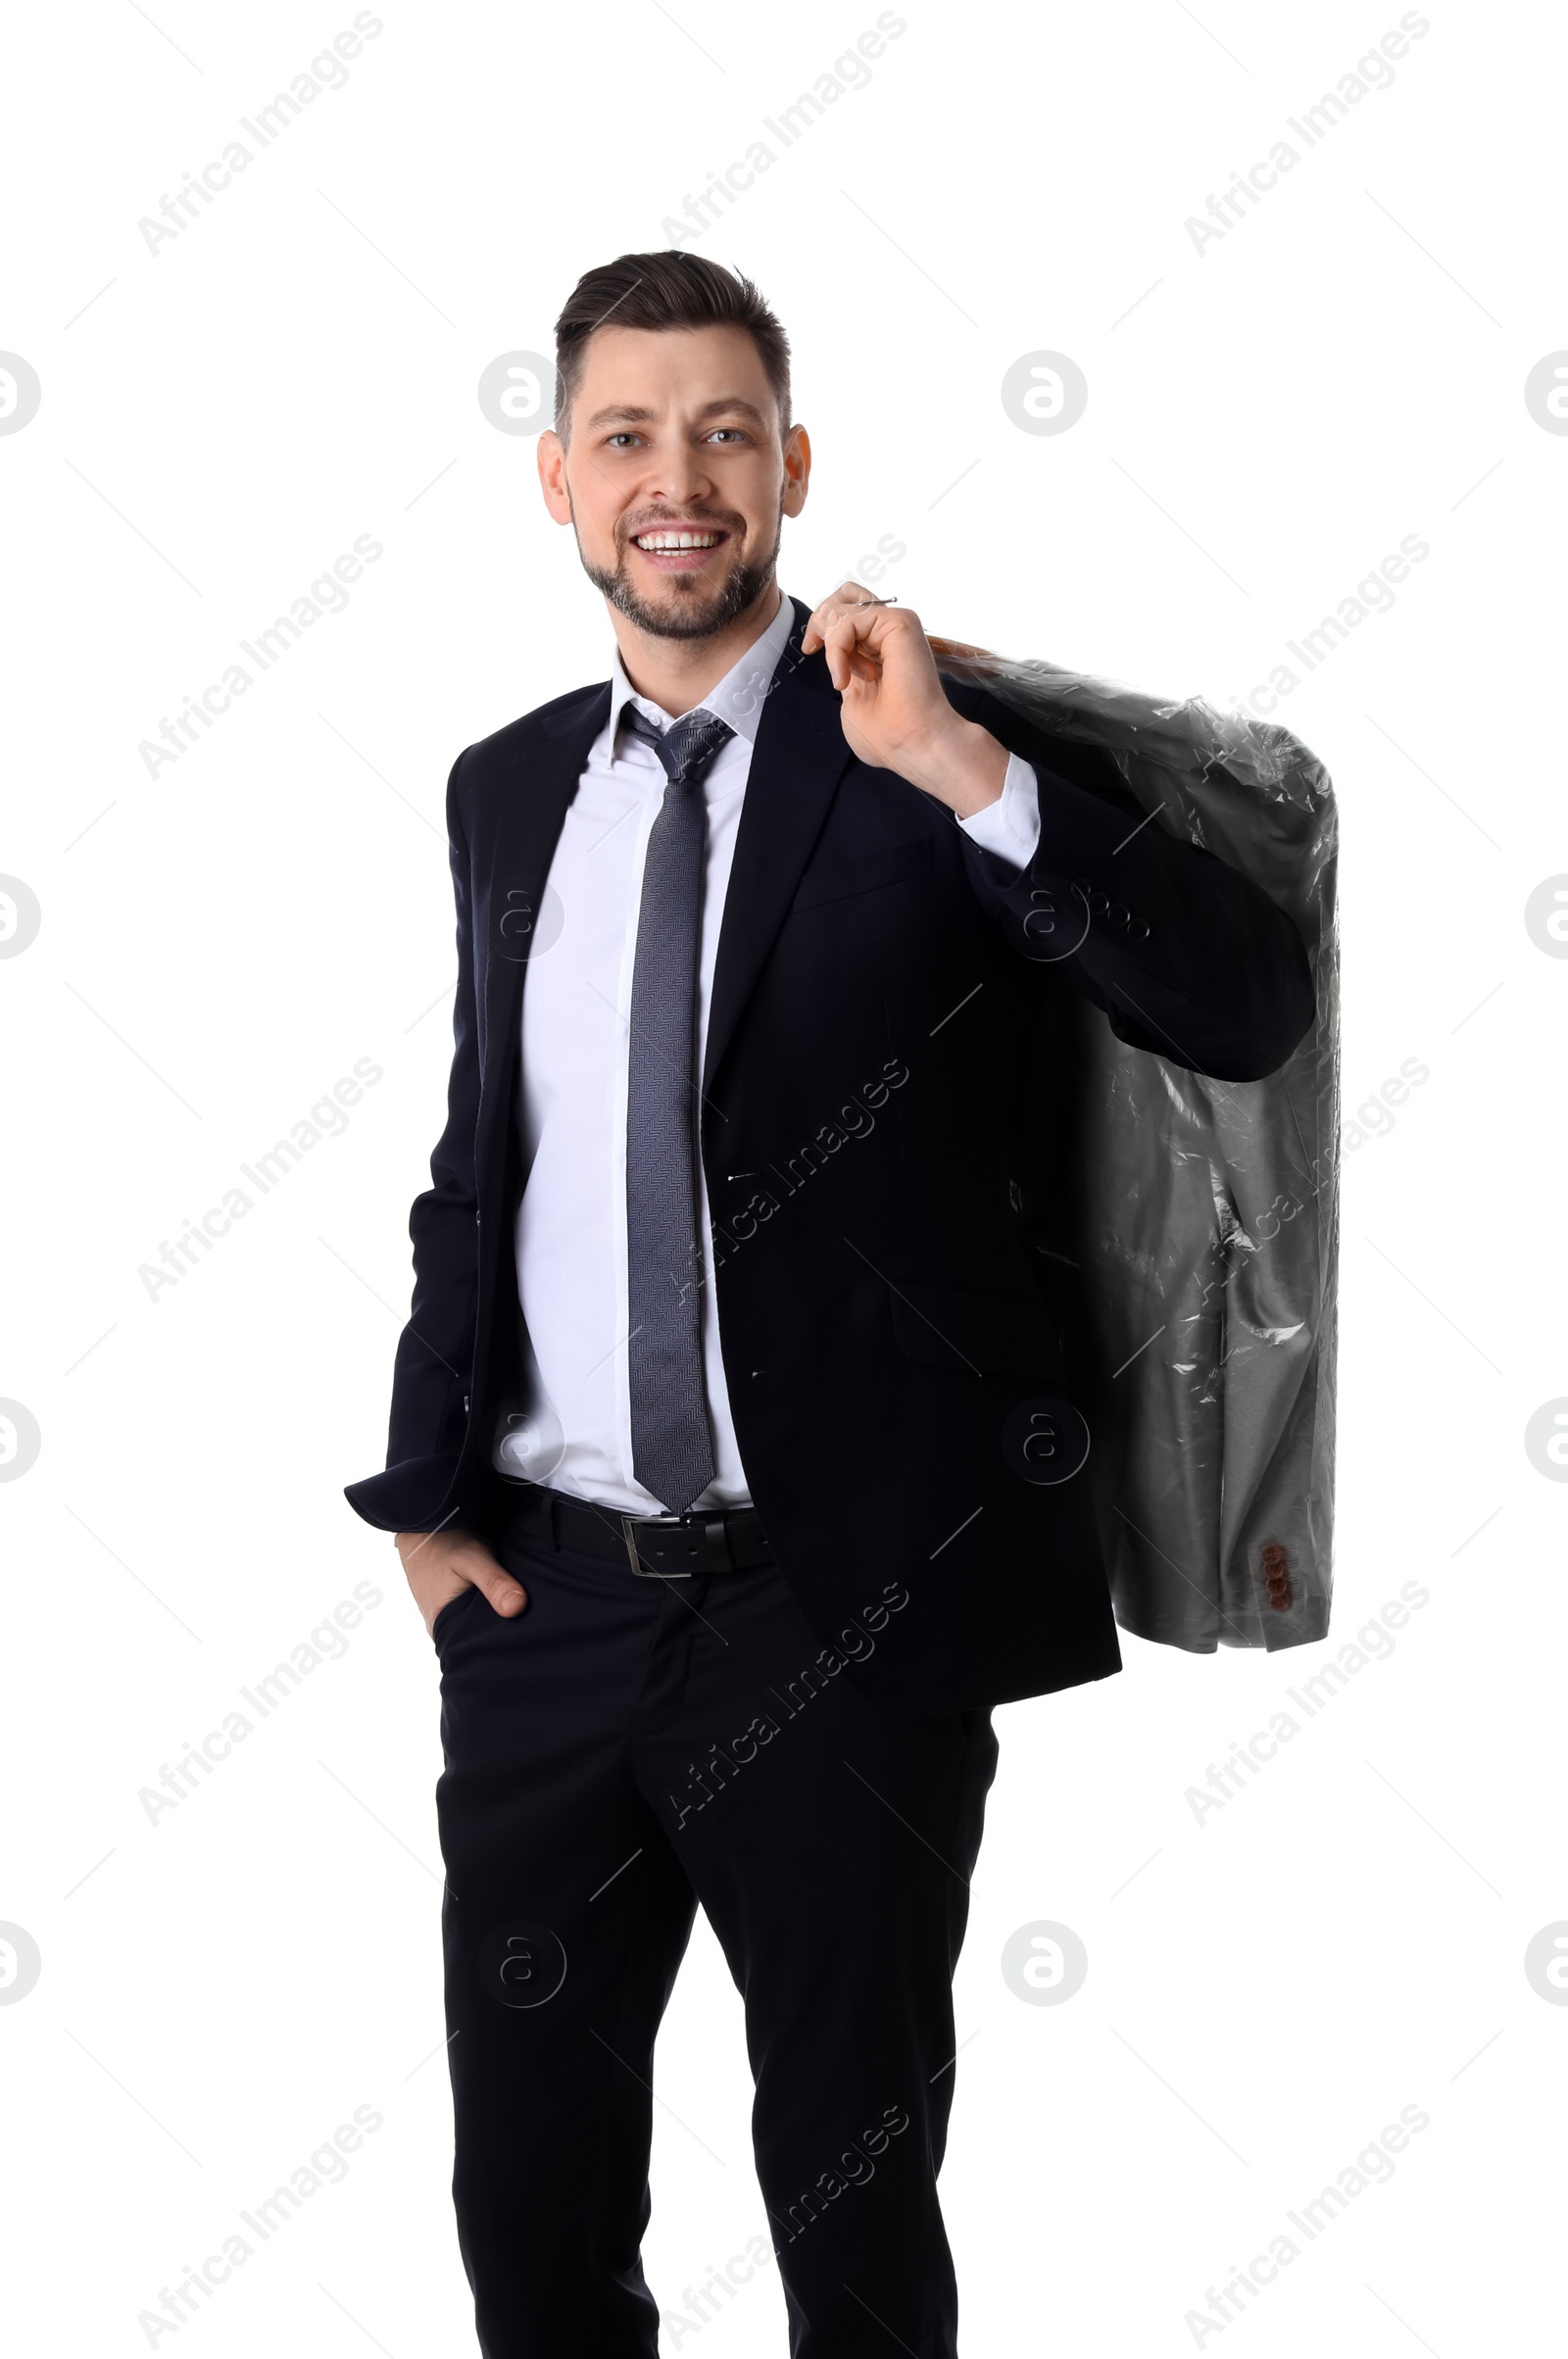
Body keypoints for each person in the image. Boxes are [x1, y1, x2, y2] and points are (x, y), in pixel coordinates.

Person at [346, 249, 1315, 2358]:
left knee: (850, 2209)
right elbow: (477, 1161)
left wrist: (965, 771)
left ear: (789, 464)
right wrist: (427, 1506)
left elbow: (1238, 1002)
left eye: (718, 433)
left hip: (844, 1607)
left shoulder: (915, 730)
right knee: (528, 2203)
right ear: (555, 480)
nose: (671, 479)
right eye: (625, 435)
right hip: (544, 1611)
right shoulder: (505, 787)